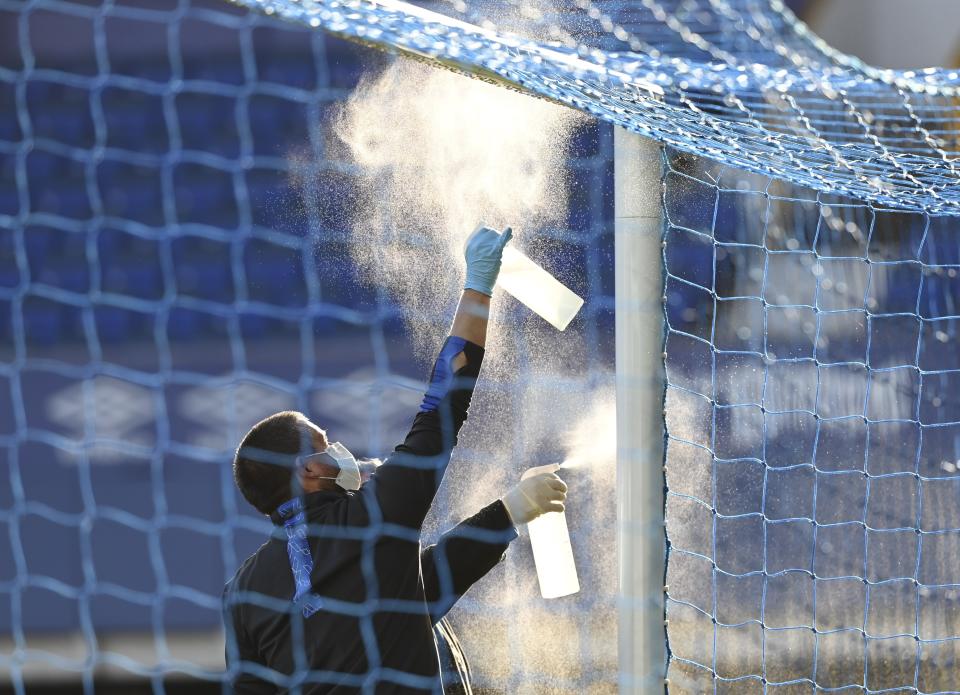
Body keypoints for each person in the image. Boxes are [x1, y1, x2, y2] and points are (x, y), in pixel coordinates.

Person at [222, 225, 569, 693]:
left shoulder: (242, 593)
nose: (338, 449)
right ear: (311, 470)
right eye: (324, 442)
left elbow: (415, 588)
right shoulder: (370, 516)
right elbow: (442, 410)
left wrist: (509, 511)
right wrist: (479, 285)